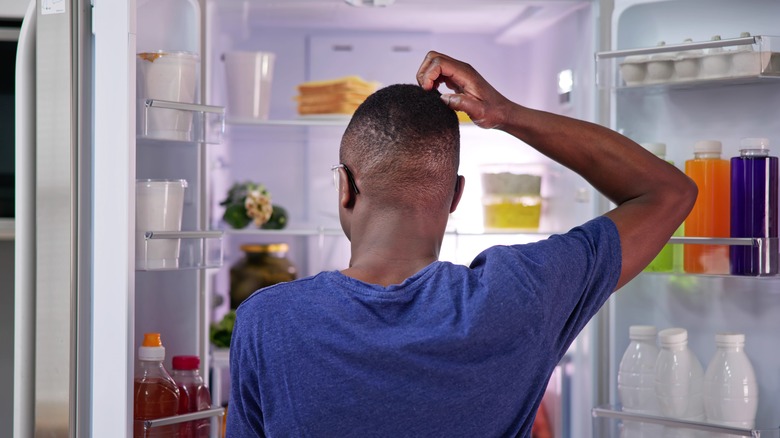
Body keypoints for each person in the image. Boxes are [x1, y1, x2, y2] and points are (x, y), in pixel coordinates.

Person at [226, 51, 697, 437]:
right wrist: (507, 114)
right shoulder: (520, 295)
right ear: (455, 197)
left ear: (344, 188)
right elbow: (668, 192)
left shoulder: (267, 321)